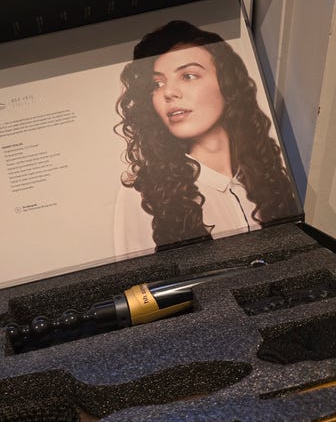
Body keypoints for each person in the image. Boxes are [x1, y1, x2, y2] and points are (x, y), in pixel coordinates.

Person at [114, 20, 299, 254]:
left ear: (227, 83)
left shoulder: (271, 170)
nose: (169, 92)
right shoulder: (143, 193)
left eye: (188, 76)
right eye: (157, 83)